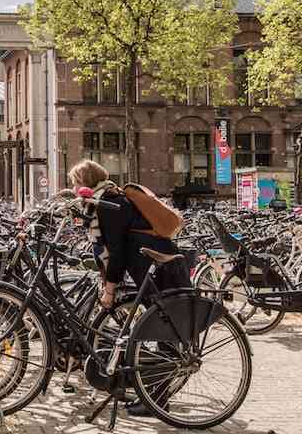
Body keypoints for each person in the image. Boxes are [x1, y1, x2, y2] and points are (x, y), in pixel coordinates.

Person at [68, 159, 189, 416]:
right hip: (152, 265)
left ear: (86, 184)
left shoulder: (109, 205)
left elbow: (118, 251)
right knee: (159, 330)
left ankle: (156, 400)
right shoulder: (110, 198)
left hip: (157, 268)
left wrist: (110, 289)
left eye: (76, 183)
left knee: (161, 332)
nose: (76, 189)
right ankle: (154, 397)